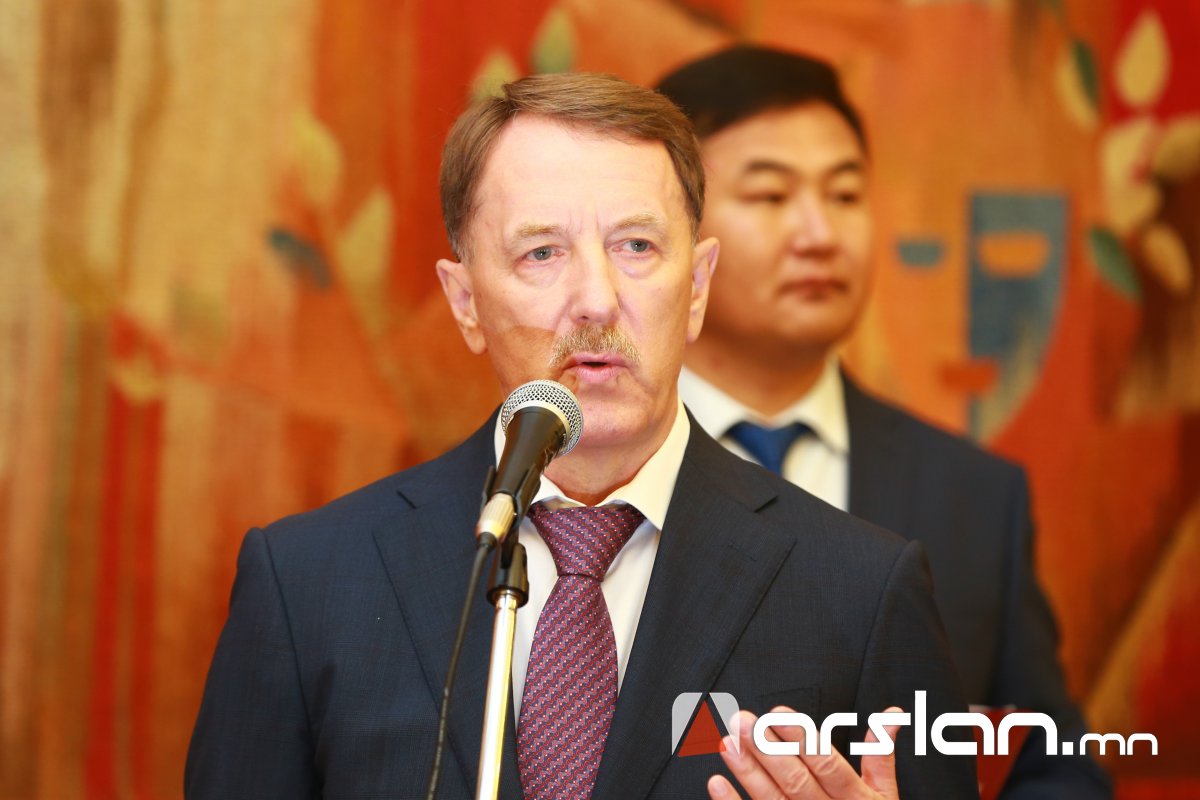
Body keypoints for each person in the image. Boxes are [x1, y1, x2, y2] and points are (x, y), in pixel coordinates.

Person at [185, 72, 977, 799]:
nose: (597, 299)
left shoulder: (861, 592)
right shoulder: (309, 585)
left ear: (696, 288)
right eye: (542, 252)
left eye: (637, 246)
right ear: (465, 302)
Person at [657, 45, 1111, 797]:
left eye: (844, 194)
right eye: (769, 195)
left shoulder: (975, 497)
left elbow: (1055, 770)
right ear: (669, 235)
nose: (818, 233)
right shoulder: (588, 478)